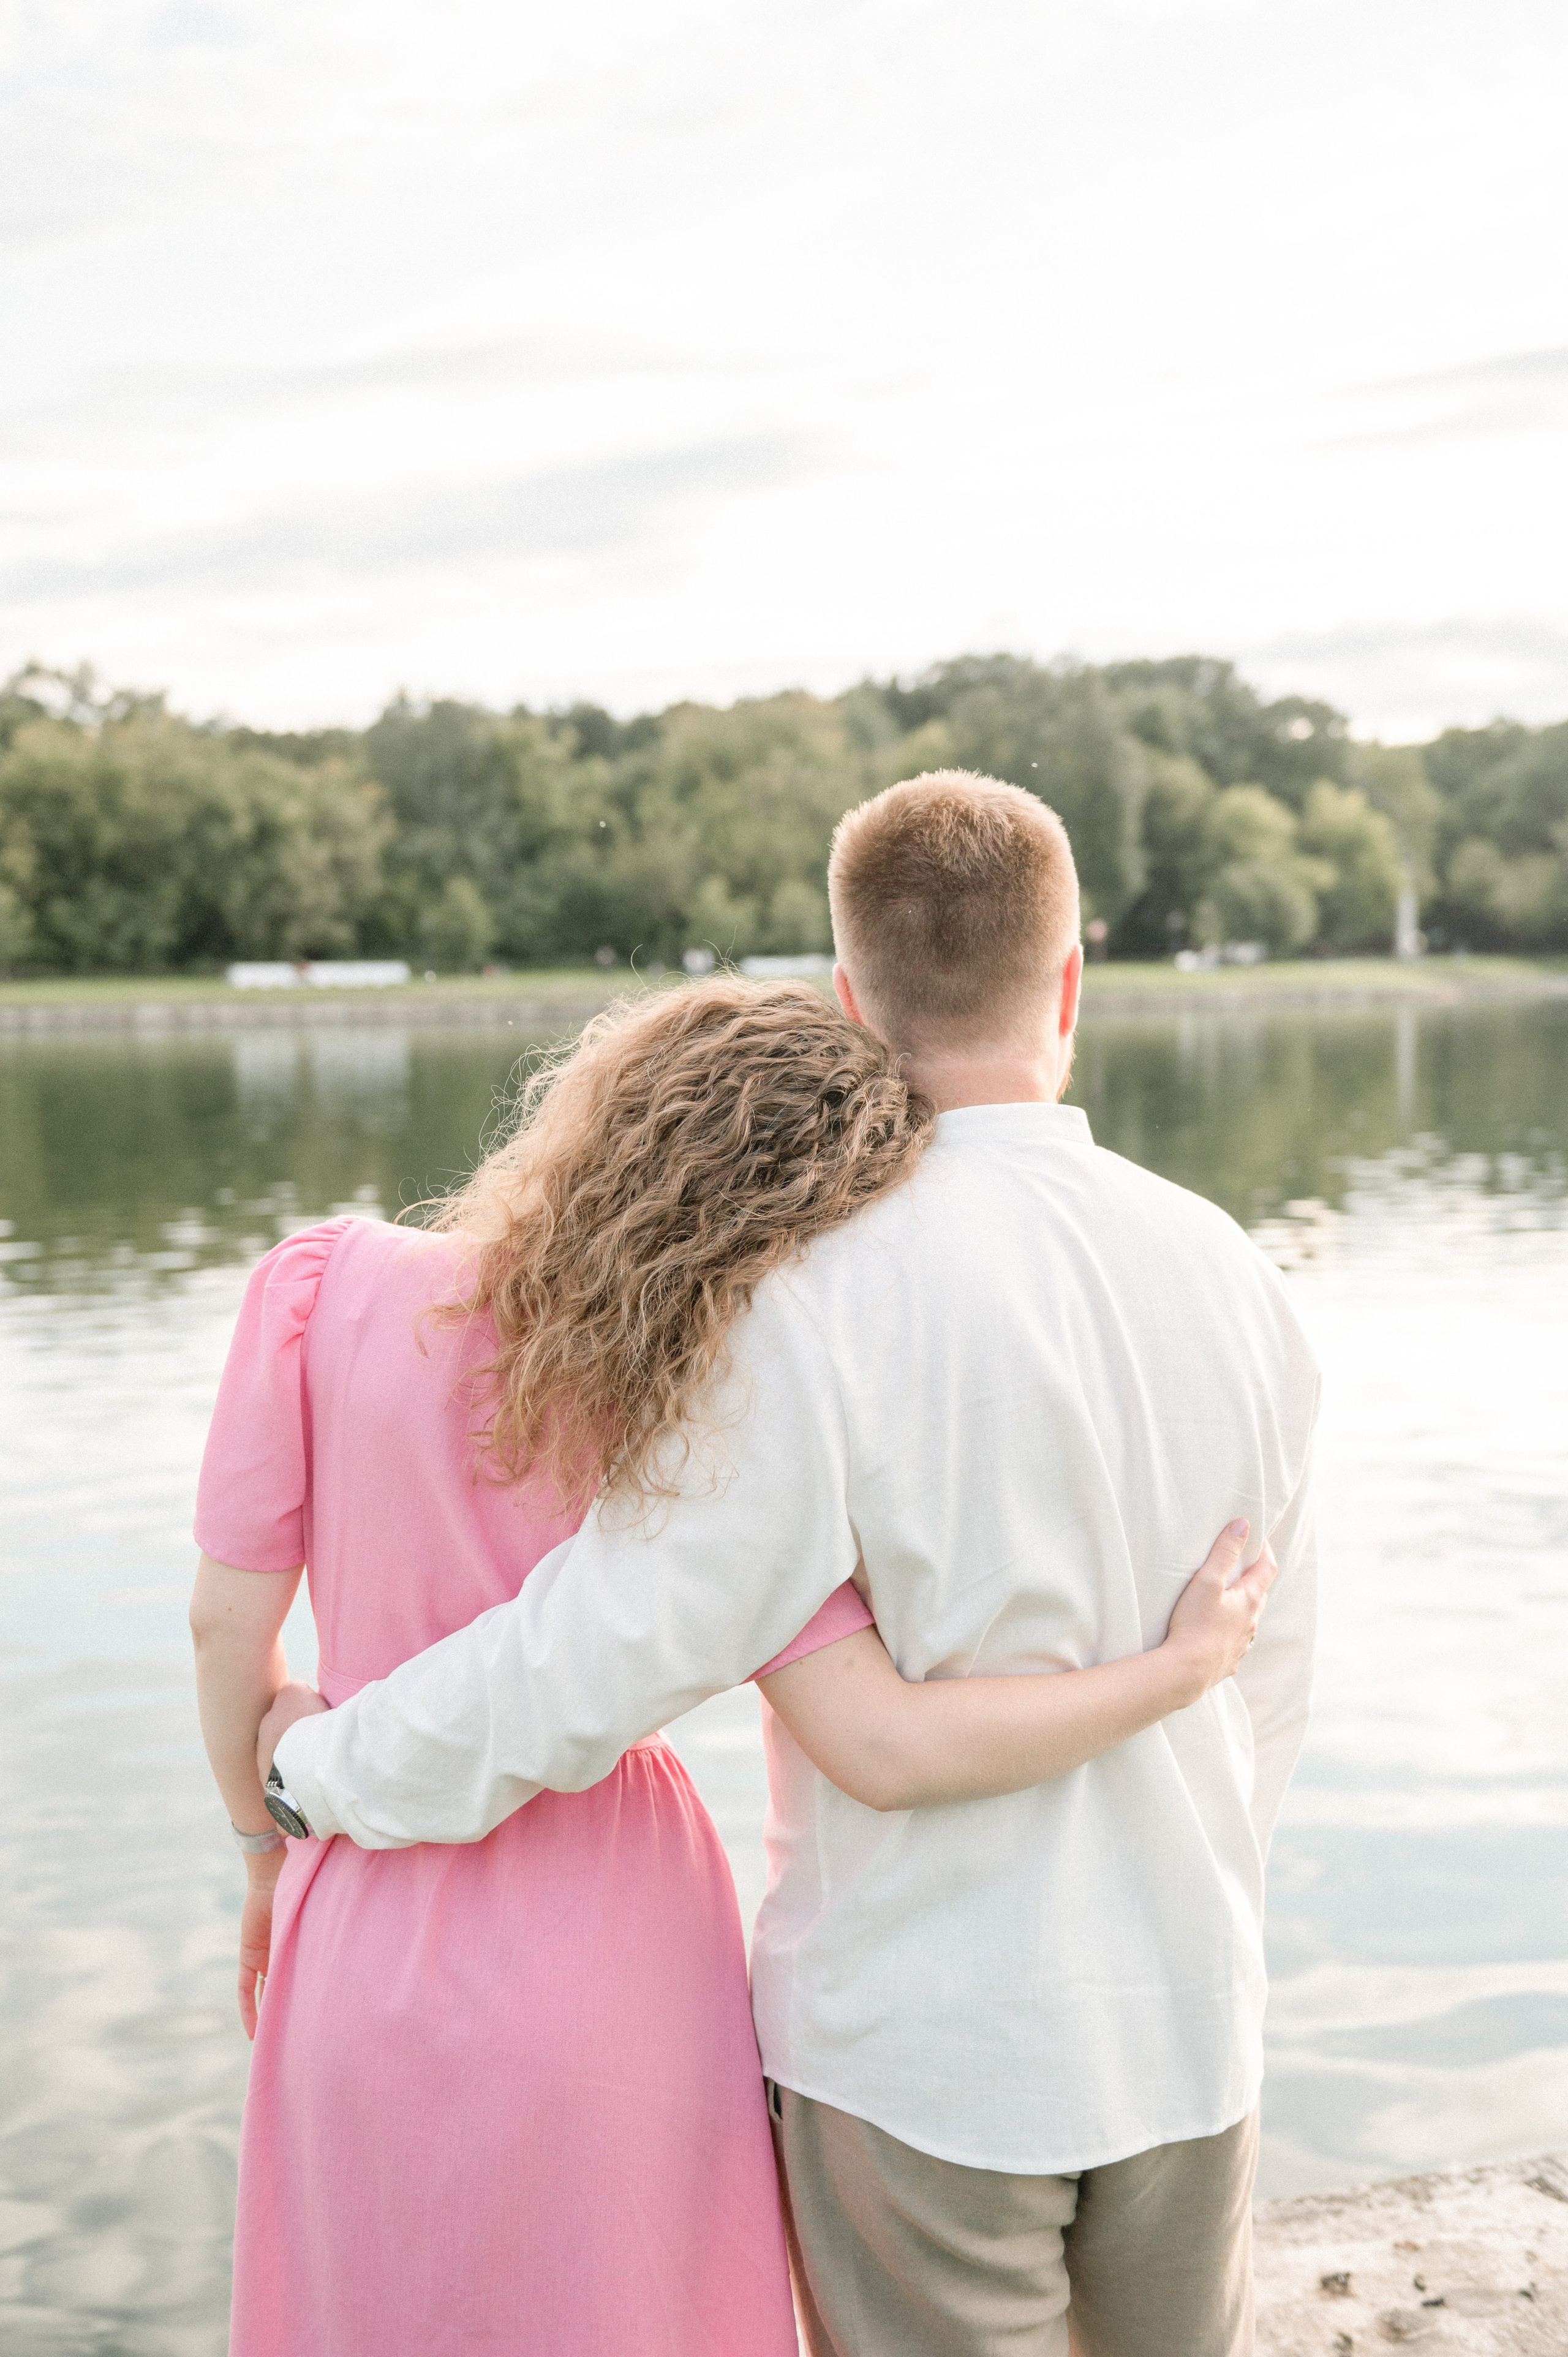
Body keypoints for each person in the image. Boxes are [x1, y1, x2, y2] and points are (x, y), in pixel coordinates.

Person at [262, 771, 1320, 2357]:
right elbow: (1271, 1679)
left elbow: (597, 1650)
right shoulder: (1239, 1276)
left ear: (851, 997)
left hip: (927, 2057)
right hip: (1187, 2023)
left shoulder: (811, 1300)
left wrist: (318, 1772)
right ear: (1069, 981)